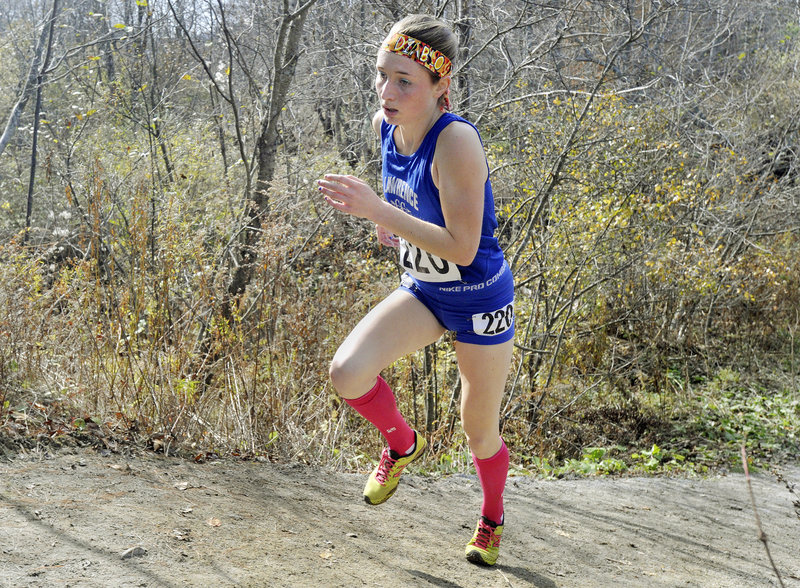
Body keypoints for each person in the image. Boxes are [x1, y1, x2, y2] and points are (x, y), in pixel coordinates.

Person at [317, 14, 514, 567]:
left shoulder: (456, 142)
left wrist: (380, 211)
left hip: (479, 301)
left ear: (440, 87)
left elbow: (463, 248)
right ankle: (403, 444)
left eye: (405, 81)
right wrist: (390, 218)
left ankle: (492, 517)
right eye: (382, 75)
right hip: (426, 291)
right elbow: (404, 195)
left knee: (480, 433)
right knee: (347, 371)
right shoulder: (388, 125)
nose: (387, 91)